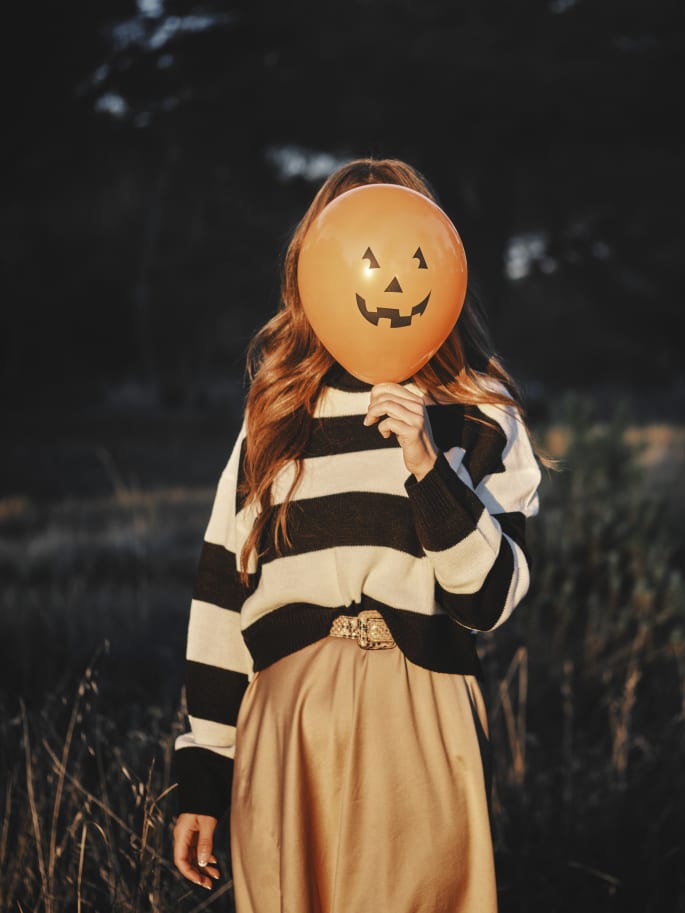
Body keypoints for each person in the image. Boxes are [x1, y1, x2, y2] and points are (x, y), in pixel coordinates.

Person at [172, 157, 544, 913]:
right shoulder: (274, 416)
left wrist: (425, 464)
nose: (386, 280)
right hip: (286, 719)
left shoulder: (480, 411)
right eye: (359, 254)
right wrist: (203, 776)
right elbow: (222, 593)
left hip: (418, 709)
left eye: (408, 254)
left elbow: (494, 599)